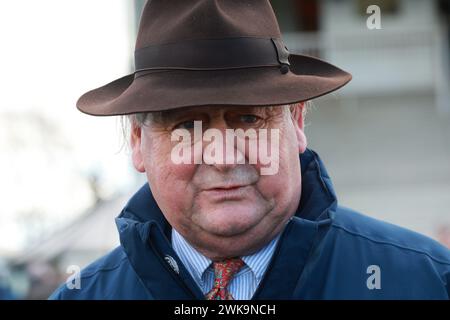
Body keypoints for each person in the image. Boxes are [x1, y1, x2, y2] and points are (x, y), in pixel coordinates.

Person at [50, 0, 449, 300]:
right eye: (187, 125)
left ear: (296, 123)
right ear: (138, 144)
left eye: (248, 120)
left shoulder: (429, 282)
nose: (223, 157)